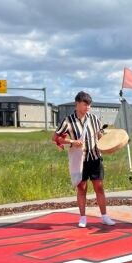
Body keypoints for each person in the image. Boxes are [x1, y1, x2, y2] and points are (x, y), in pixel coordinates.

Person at [52, 91, 116, 228]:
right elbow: (56, 138)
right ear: (77, 104)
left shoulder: (94, 119)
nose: (88, 107)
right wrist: (72, 142)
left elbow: (100, 135)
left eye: (89, 104)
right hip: (79, 160)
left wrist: (110, 142)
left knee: (99, 187)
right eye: (85, 104)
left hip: (95, 157)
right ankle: (82, 218)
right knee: (82, 189)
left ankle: (104, 216)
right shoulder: (68, 120)